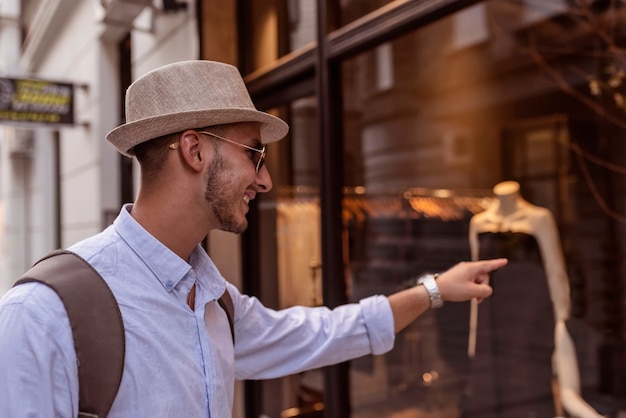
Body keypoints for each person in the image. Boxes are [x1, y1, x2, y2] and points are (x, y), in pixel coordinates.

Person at [0, 60, 507, 417]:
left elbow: (319, 333)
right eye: (254, 153)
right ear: (195, 151)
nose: (264, 181)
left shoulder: (214, 302)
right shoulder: (44, 313)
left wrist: (436, 289)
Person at [463, 180, 602, 418]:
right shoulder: (479, 223)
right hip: (493, 314)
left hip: (531, 313)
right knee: (492, 387)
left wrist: (562, 327)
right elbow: (475, 281)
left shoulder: (539, 218)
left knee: (530, 381)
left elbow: (555, 272)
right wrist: (474, 334)